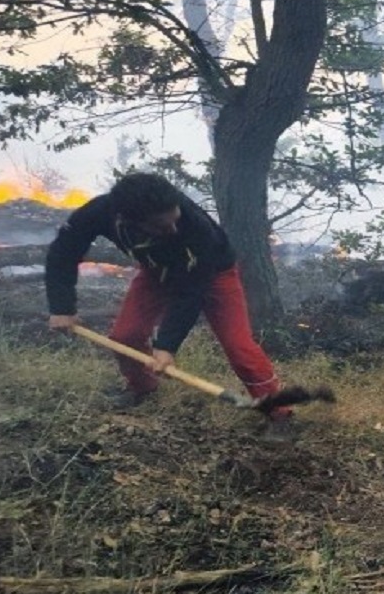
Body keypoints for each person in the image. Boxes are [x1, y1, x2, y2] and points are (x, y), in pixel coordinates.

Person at [45, 172, 293, 441]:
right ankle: (142, 388)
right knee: (125, 337)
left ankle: (280, 414)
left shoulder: (197, 229)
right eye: (162, 228)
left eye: (174, 221)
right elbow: (63, 251)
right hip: (156, 272)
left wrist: (166, 347)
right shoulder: (100, 212)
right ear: (130, 221)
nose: (173, 230)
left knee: (239, 346)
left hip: (214, 275)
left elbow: (190, 292)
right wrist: (62, 308)